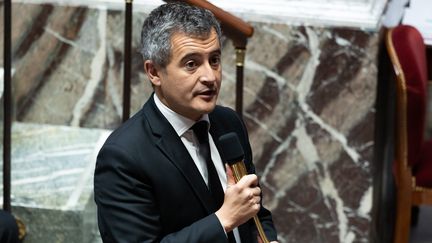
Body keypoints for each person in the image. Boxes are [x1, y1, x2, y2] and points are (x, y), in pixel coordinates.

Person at [94, 2, 278, 242]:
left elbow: (254, 211)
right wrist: (223, 220)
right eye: (191, 64)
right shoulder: (123, 156)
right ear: (154, 72)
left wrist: (268, 239)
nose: (210, 77)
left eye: (214, 60)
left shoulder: (228, 123)